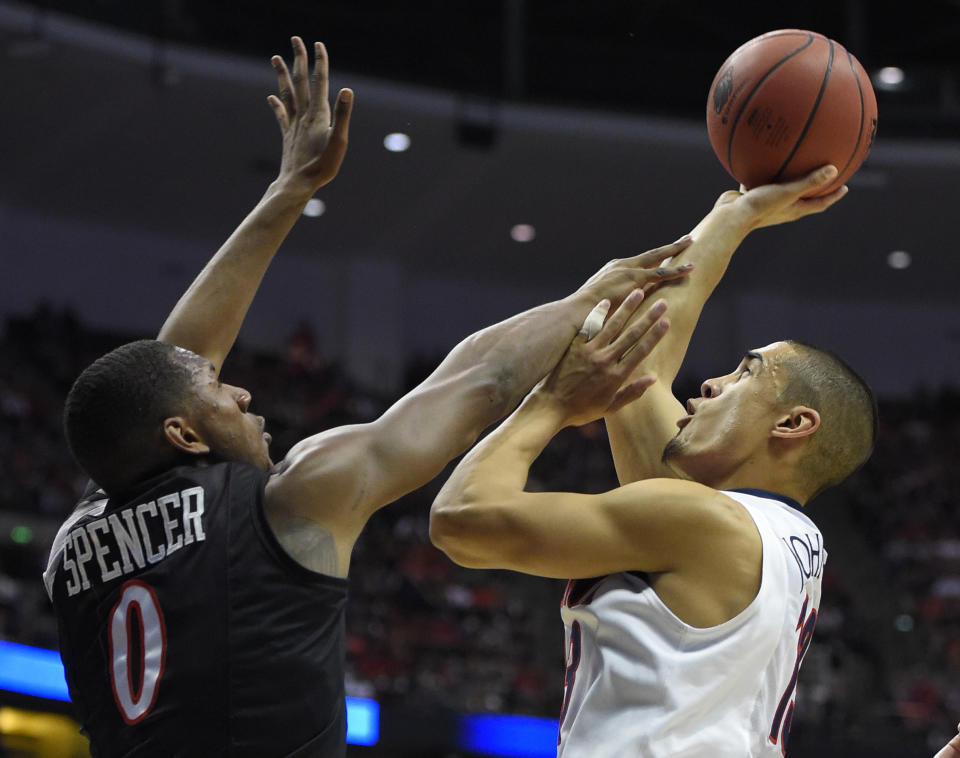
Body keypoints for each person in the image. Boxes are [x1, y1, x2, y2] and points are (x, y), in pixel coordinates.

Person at [41, 37, 694, 758]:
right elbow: (476, 384)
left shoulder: (77, 536)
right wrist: (586, 301)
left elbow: (172, 371)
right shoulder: (289, 502)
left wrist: (287, 192)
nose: (242, 390)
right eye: (222, 395)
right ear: (185, 437)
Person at [429, 166, 875, 756]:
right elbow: (640, 364)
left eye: (745, 373)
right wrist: (734, 215)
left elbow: (461, 520)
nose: (712, 383)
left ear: (793, 424)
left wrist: (552, 402)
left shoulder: (703, 522)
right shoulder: (783, 537)